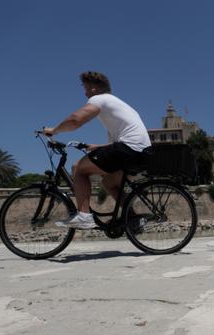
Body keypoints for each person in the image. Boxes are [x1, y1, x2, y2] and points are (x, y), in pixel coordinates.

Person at [43, 71, 151, 229]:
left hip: (128, 149)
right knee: (109, 182)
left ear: (94, 88)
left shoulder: (99, 99)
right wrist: (97, 147)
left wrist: (54, 130)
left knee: (78, 168)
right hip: (141, 153)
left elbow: (75, 120)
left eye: (85, 87)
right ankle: (133, 218)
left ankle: (84, 216)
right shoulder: (118, 103)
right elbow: (121, 140)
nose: (84, 92)